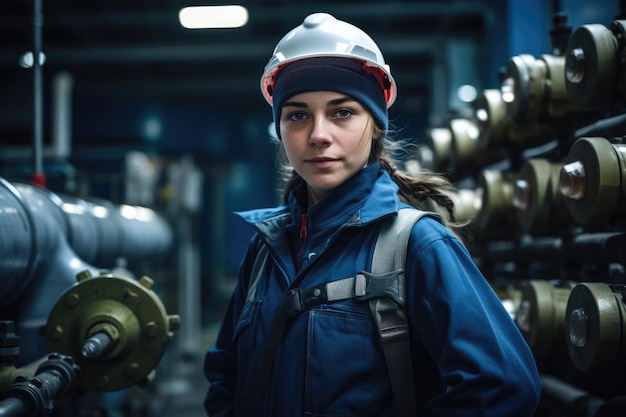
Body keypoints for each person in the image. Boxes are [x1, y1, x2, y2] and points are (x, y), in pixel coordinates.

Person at [204, 12, 541, 417]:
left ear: (375, 125)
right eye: (297, 115)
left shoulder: (416, 245)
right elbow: (225, 377)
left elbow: (503, 387)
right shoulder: (266, 249)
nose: (318, 135)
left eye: (342, 112)